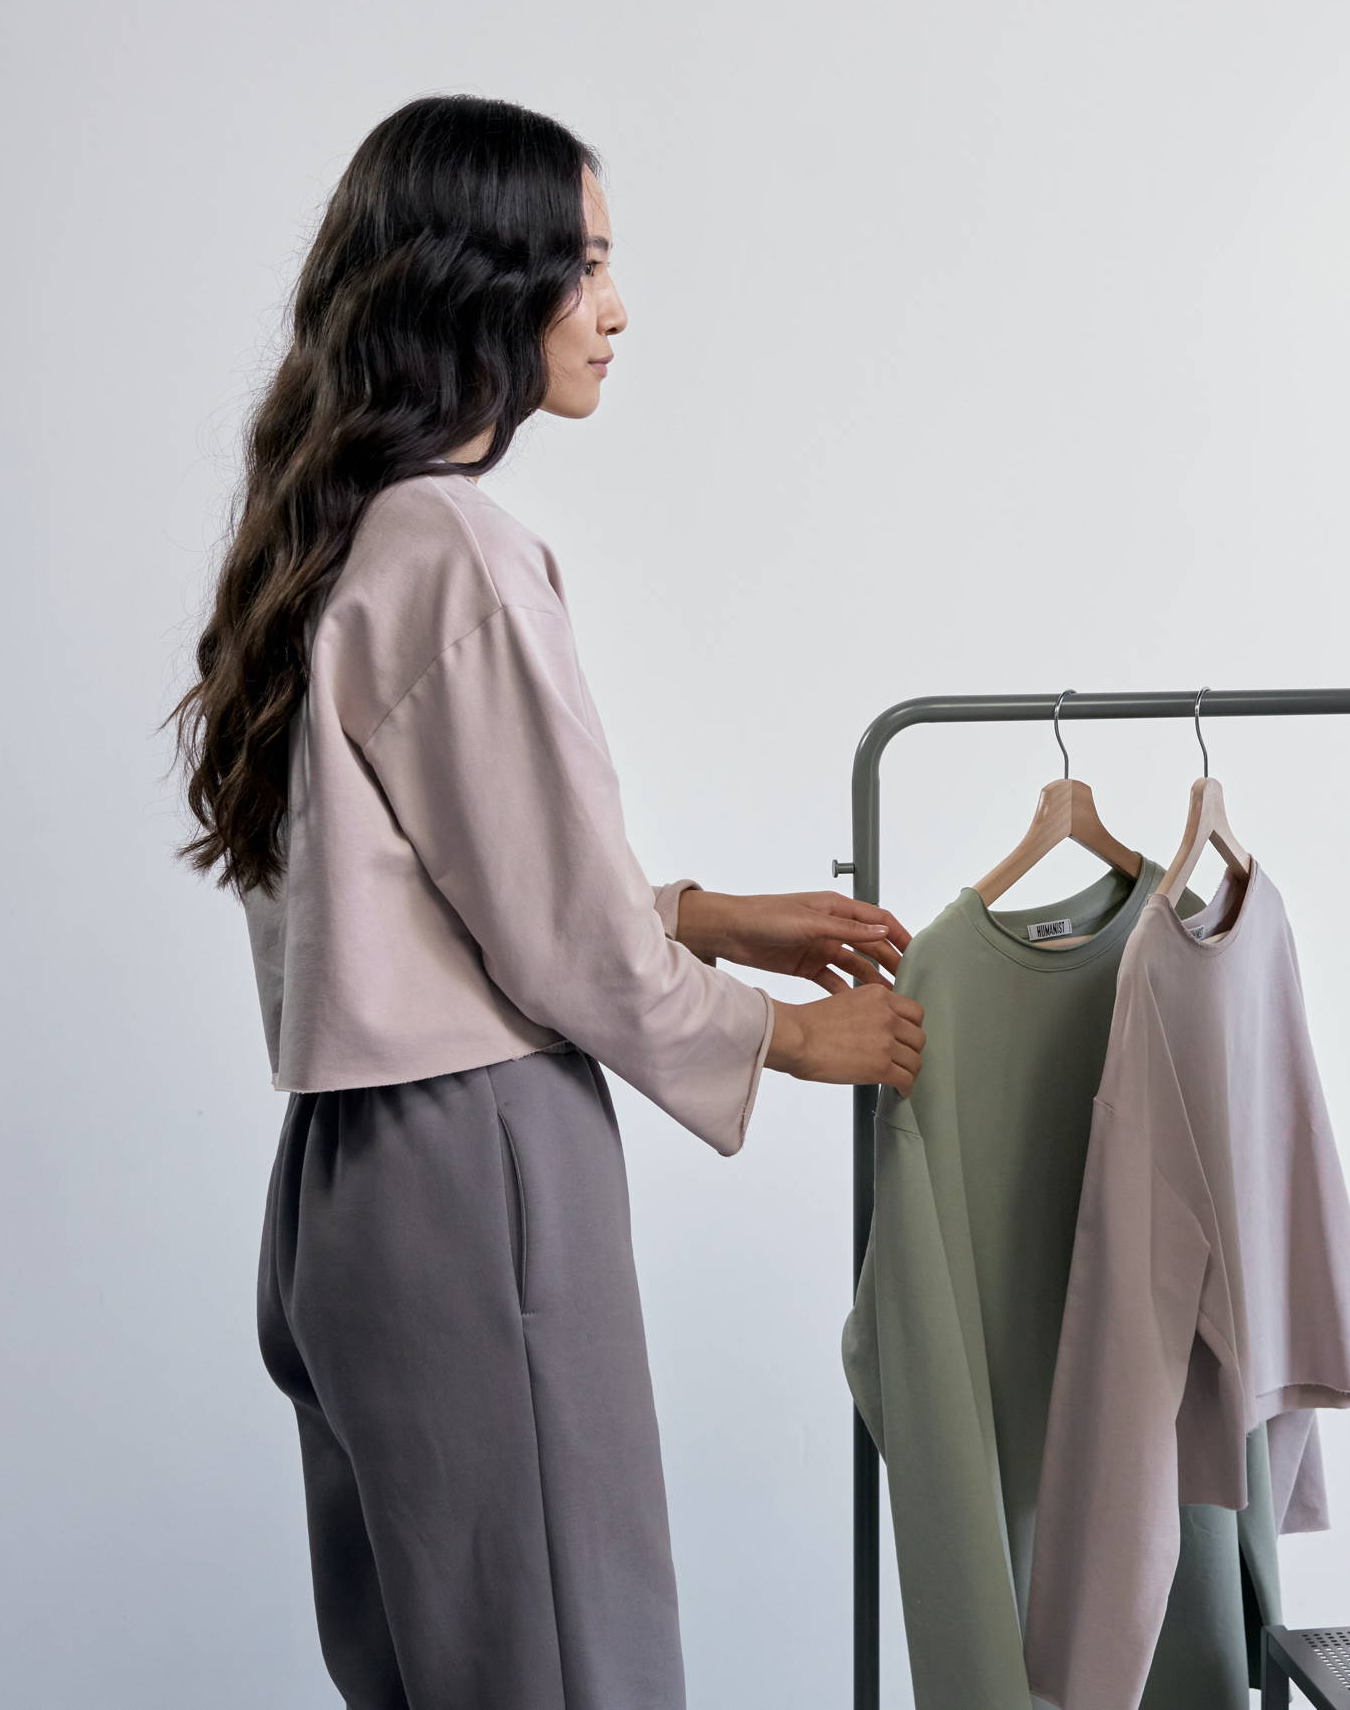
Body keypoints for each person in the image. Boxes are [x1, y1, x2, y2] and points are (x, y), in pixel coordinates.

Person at [171, 94, 926, 1710]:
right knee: (566, 1666)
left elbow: (430, 884)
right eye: (582, 265)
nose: (616, 307)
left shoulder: (331, 537)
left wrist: (707, 911)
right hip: (476, 1164)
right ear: (480, 285)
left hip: (342, 1180)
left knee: (436, 1668)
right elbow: (560, 937)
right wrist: (791, 1039)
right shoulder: (458, 549)